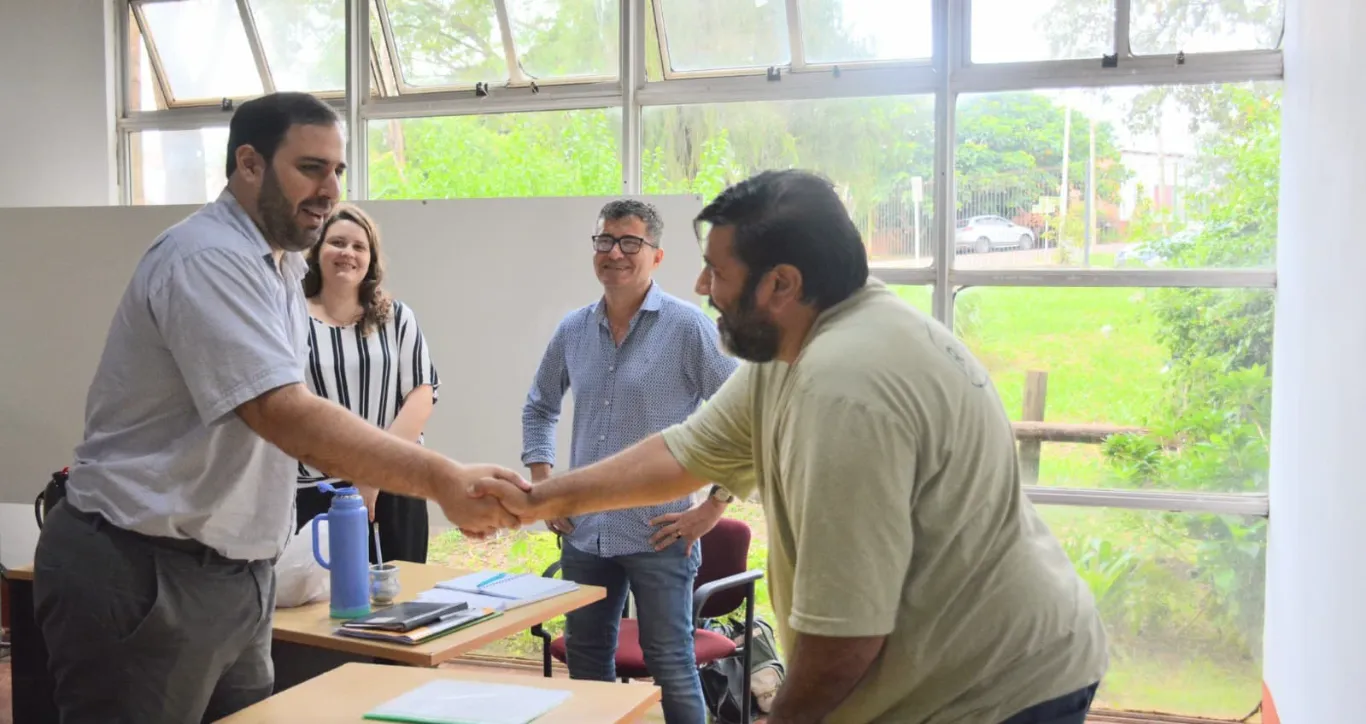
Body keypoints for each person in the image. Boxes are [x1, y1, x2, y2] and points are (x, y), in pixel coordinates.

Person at [474, 169, 1108, 724]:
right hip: (947, 665)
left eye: (717, 271)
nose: (701, 286)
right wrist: (536, 499)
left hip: (995, 688)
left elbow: (847, 636)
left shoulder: (842, 390)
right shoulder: (799, 346)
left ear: (780, 283)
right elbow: (681, 453)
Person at [31, 91, 525, 724]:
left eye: (338, 170)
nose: (329, 188)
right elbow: (283, 413)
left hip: (236, 573)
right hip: (146, 569)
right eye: (310, 168)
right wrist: (442, 479)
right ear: (249, 164)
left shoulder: (281, 268)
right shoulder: (209, 258)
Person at [521, 199, 738, 723]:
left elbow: (742, 418)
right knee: (588, 659)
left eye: (630, 243)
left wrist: (711, 509)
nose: (614, 253)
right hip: (584, 534)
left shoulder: (688, 329)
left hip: (658, 534)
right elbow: (540, 406)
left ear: (657, 256)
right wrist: (544, 485)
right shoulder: (574, 329)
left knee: (672, 665)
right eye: (605, 241)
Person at [296, 202, 439, 564]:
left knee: (400, 605)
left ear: (371, 259)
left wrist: (374, 472)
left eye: (359, 247)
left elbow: (421, 395)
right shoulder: (290, 317)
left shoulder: (398, 317)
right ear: (317, 250)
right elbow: (287, 404)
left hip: (396, 485)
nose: (348, 253)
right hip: (317, 491)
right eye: (337, 242)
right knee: (323, 611)